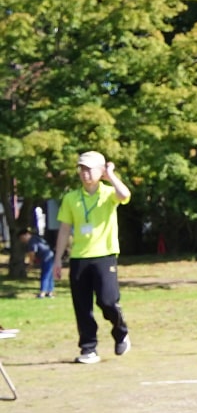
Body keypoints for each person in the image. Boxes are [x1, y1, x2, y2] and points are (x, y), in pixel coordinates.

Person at [52, 151, 134, 364]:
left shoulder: (108, 194)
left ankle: (121, 332)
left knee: (108, 302)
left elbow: (124, 195)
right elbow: (64, 229)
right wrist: (57, 259)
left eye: (89, 169)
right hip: (79, 257)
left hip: (104, 255)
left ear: (101, 170)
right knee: (82, 306)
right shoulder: (71, 198)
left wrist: (111, 175)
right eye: (82, 169)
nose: (85, 173)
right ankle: (88, 348)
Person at [30, 226, 56, 298]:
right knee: (49, 274)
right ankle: (50, 292)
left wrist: (31, 263)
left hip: (46, 257)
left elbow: (32, 252)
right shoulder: (37, 238)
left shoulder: (32, 240)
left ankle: (43, 292)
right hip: (50, 255)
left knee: (45, 274)